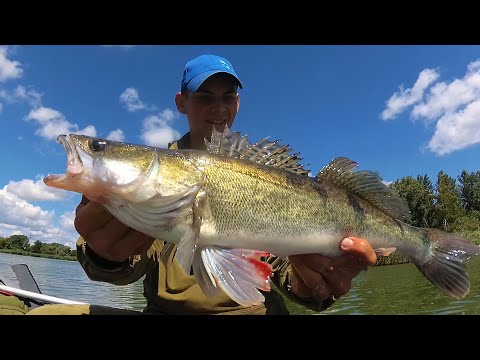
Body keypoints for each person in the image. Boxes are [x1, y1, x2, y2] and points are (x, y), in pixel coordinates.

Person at [26, 54, 377, 315]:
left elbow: (288, 277)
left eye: (228, 97)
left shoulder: (257, 176)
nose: (218, 108)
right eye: (204, 96)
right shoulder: (152, 185)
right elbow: (125, 269)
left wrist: (316, 284)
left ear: (238, 103)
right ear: (182, 103)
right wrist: (105, 256)